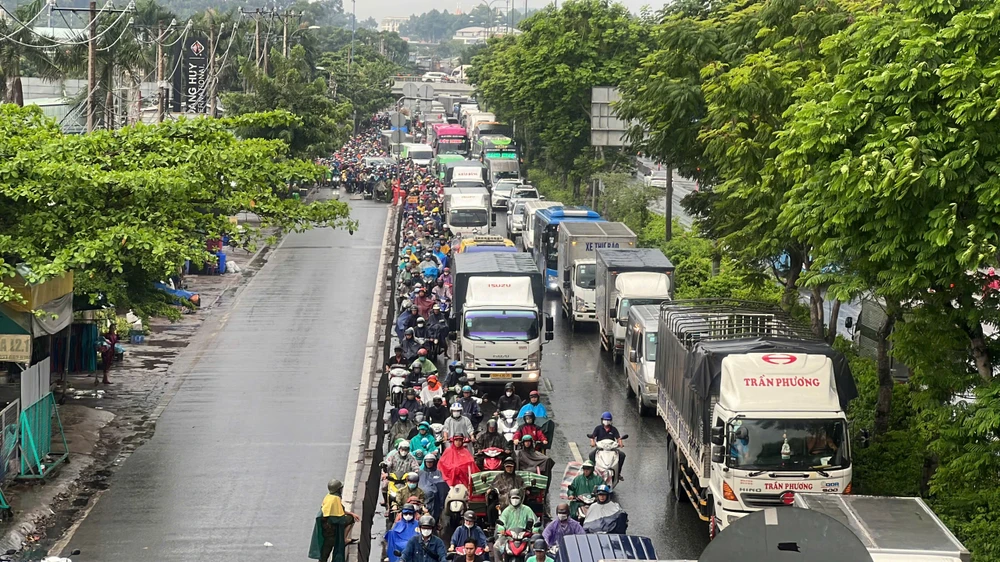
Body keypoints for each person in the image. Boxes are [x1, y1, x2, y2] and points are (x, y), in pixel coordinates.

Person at [309, 479, 360, 562]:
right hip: (332, 530)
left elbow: (339, 510)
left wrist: (351, 513)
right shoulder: (336, 499)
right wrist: (352, 516)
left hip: (326, 529)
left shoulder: (328, 497)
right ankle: (344, 539)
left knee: (324, 554)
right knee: (332, 548)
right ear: (338, 489)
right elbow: (340, 517)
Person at [589, 412, 625, 478]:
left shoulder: (614, 429)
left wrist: (621, 443)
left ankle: (618, 473)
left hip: (611, 448)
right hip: (601, 448)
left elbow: (618, 438)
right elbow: (592, 437)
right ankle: (592, 472)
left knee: (622, 455)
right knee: (591, 455)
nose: (607, 421)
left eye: (608, 420)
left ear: (611, 421)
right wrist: (592, 443)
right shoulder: (598, 428)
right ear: (602, 420)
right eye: (605, 420)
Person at [418, 453, 449, 521]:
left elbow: (442, 485)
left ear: (434, 462)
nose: (429, 464)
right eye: (427, 462)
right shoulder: (420, 473)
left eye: (431, 462)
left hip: (436, 499)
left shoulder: (438, 472)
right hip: (423, 499)